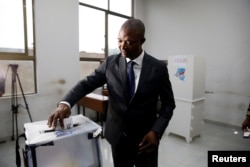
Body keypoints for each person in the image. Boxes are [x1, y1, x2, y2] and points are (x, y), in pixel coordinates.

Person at [47, 18, 175, 167]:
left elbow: (169, 104)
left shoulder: (158, 68)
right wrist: (66, 103)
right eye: (120, 41)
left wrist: (156, 132)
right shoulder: (110, 63)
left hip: (146, 139)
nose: (123, 47)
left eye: (130, 42)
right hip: (118, 138)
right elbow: (86, 84)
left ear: (142, 41)